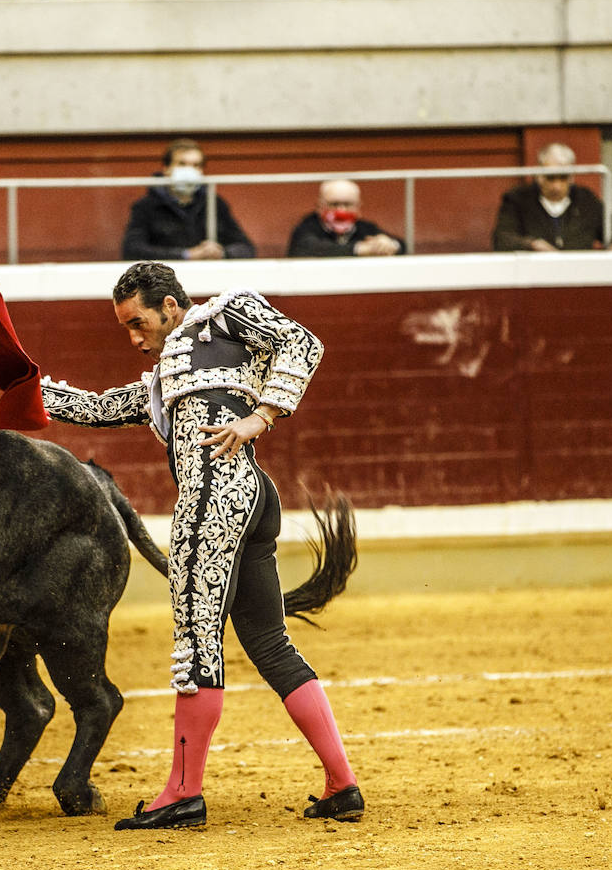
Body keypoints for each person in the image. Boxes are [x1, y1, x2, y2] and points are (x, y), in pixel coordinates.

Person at [40, 261, 362, 830]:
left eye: (138, 323)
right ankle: (342, 784)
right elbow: (98, 409)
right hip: (252, 498)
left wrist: (259, 417)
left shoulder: (225, 313)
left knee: (195, 642)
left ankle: (183, 793)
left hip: (215, 497)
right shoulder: (165, 376)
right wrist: (19, 386)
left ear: (169, 305)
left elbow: (302, 342)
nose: (135, 340)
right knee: (268, 641)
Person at [121, 139, 257, 261]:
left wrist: (221, 253)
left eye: (196, 165)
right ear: (166, 169)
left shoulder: (213, 203)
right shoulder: (146, 206)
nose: (189, 170)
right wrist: (186, 255)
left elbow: (246, 248)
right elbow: (132, 250)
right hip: (163, 281)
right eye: (182, 164)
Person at [492, 142, 612, 251]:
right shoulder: (518, 199)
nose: (556, 186)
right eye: (550, 178)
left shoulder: (586, 200)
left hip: (580, 277)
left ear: (572, 177)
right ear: (538, 175)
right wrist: (533, 245)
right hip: (535, 277)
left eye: (563, 178)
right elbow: (502, 239)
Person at [287, 180, 406, 257]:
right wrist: (359, 249)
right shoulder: (307, 227)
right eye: (334, 204)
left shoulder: (364, 227)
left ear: (358, 207)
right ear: (319, 206)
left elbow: (402, 245)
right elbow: (307, 248)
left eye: (347, 204)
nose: (341, 211)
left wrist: (389, 244)